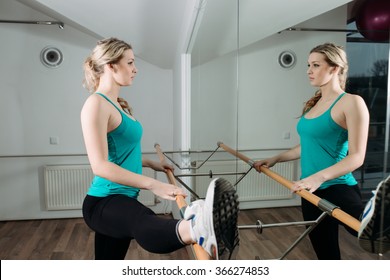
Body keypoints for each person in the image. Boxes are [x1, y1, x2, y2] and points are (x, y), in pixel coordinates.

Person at [80, 37, 239, 260]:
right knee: (141, 220)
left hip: (123, 198)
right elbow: (100, 166)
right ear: (111, 65)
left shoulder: (118, 105)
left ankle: (200, 227)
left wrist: (152, 163)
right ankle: (198, 228)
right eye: (130, 63)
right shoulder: (96, 104)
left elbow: (121, 153)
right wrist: (153, 184)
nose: (135, 69)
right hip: (104, 201)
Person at [254, 42, 372, 259]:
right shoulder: (313, 104)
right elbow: (307, 146)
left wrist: (318, 178)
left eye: (316, 65)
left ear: (334, 68)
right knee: (326, 256)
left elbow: (357, 156)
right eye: (309, 65)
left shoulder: (352, 103)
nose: (309, 70)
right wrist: (275, 158)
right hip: (309, 190)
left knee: (365, 232)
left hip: (338, 187)